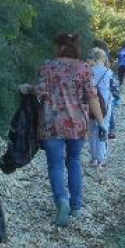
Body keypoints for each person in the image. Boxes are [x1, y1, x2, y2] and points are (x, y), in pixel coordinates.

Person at [21, 33, 106, 226]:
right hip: (77, 124)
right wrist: (101, 123)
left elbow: (40, 92)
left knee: (55, 165)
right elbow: (92, 96)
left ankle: (62, 201)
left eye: (55, 45)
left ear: (60, 47)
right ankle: (76, 206)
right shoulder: (84, 67)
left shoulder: (47, 66)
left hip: (52, 124)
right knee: (74, 162)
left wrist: (27, 88)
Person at [88, 48, 114, 167]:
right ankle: (101, 158)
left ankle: (93, 158)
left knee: (92, 130)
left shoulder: (89, 71)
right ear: (103, 58)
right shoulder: (108, 71)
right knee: (104, 128)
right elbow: (115, 88)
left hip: (91, 102)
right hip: (105, 102)